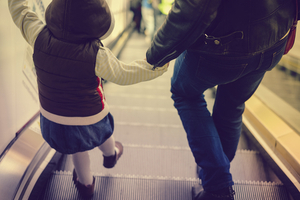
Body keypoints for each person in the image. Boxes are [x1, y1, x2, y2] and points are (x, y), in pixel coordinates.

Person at [8, 0, 168, 198]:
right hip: (90, 119)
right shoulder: (96, 55)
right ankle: (111, 155)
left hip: (52, 122)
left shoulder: (38, 35)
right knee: (103, 131)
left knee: (76, 148)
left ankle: (86, 185)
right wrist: (157, 67)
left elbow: (19, 11)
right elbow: (124, 74)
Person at [146, 0, 295, 200]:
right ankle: (217, 169)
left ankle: (217, 185)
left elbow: (195, 6)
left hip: (221, 47)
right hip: (272, 41)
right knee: (232, 105)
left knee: (184, 93)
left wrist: (156, 53)